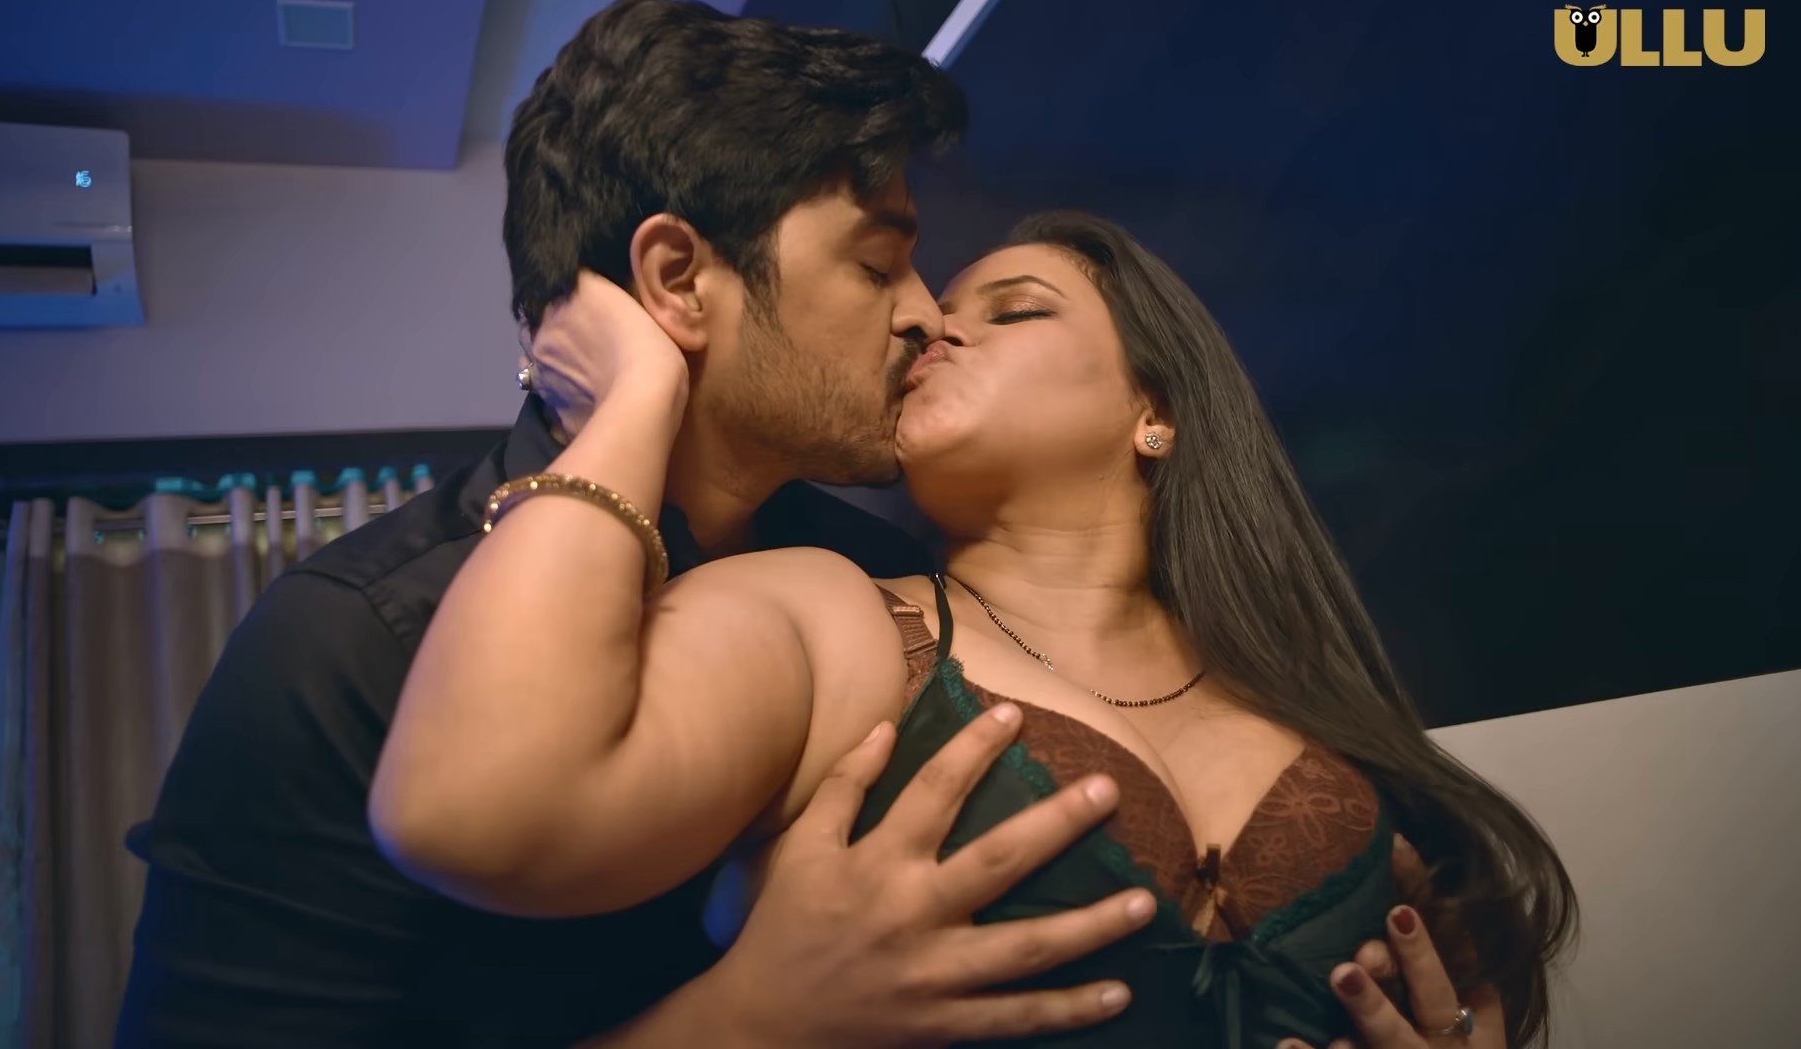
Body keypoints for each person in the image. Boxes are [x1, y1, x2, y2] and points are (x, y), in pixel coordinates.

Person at [119, 0, 1485, 1049]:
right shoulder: (358, 640)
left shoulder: (877, 579)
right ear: (677, 279)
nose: (923, 315)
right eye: (882, 262)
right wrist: (743, 1022)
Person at [373, 212, 1577, 1046]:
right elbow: (470, 807)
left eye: (1015, 311)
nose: (932, 329)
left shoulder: (1309, 705)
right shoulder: (826, 620)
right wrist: (639, 398)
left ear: (1154, 410)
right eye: (934, 308)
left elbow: (1482, 981)